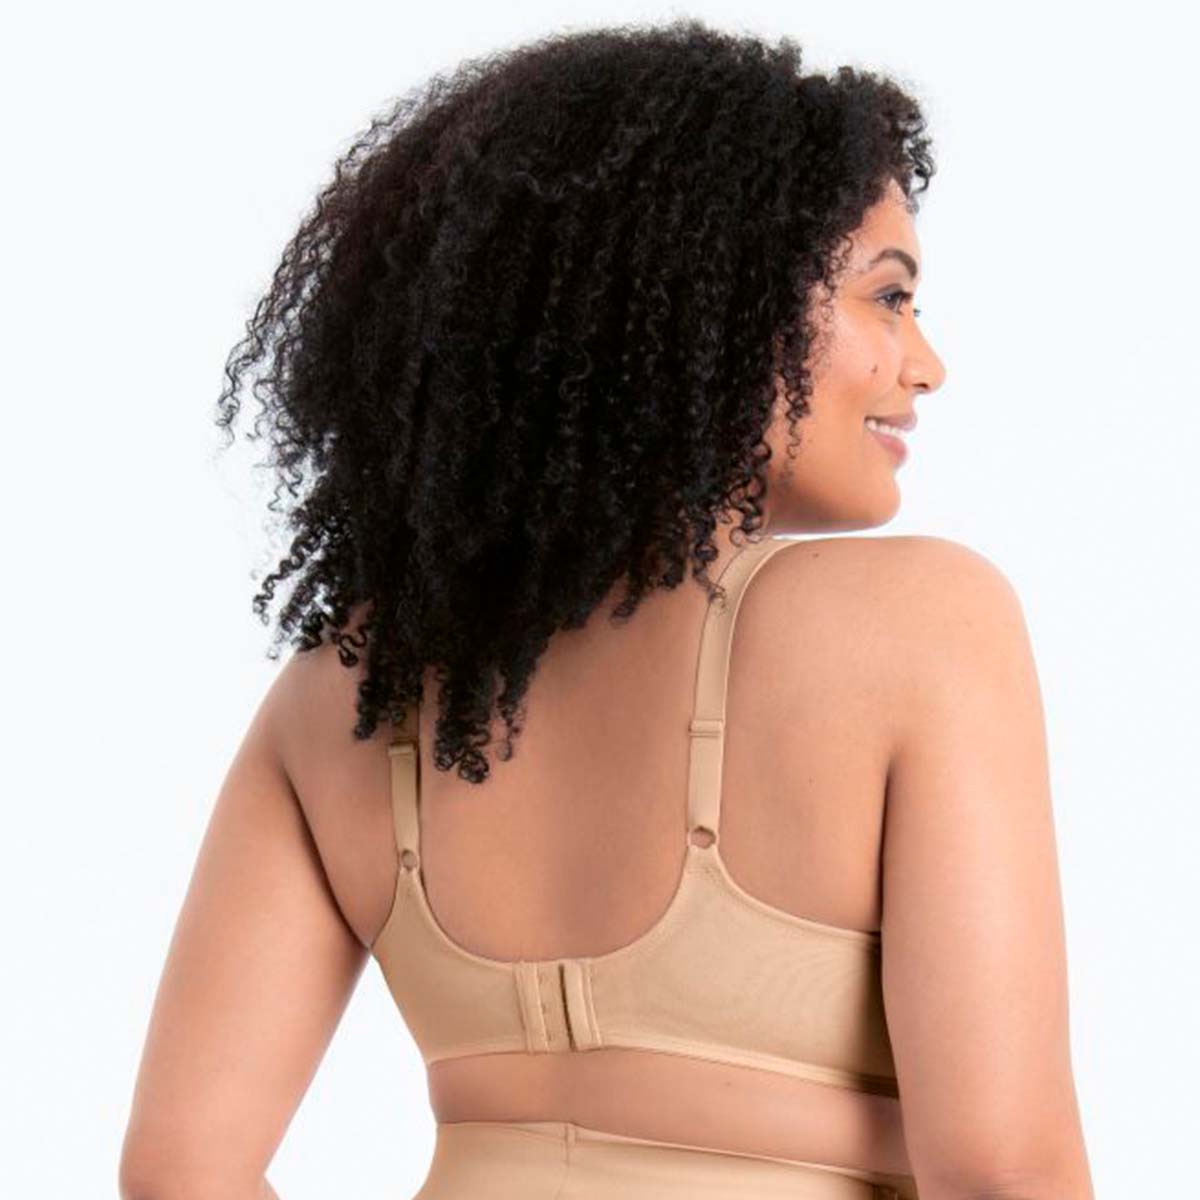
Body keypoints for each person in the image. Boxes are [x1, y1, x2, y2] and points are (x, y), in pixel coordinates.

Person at [119, 19, 1094, 1200]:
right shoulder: (923, 623)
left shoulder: (344, 692)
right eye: (888, 296)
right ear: (710, 296)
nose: (925, 363)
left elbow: (180, 1171)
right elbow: (1000, 1169)